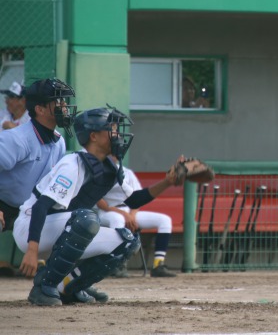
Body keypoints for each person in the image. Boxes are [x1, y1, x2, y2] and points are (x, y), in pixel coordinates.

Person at [13, 106, 182, 306]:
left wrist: (168, 181)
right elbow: (41, 207)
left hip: (63, 229)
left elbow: (134, 200)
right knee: (87, 218)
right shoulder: (72, 164)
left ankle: (69, 286)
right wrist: (32, 251)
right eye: (111, 129)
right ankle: (43, 286)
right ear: (93, 136)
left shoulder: (109, 168)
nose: (117, 135)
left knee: (127, 241)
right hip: (31, 228)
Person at [0, 78, 76, 276]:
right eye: (58, 102)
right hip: (3, 204)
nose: (65, 106)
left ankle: (60, 284)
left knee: (78, 223)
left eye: (65, 101)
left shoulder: (58, 142)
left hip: (28, 209)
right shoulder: (17, 139)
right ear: (40, 110)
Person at [95, 156, 182, 278]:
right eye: (110, 153)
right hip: (108, 212)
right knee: (118, 219)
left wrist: (131, 215)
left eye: (115, 154)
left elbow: (137, 198)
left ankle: (158, 265)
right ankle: (118, 264)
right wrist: (126, 215)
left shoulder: (127, 172)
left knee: (164, 220)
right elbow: (102, 204)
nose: (113, 156)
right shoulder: (98, 171)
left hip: (129, 210)